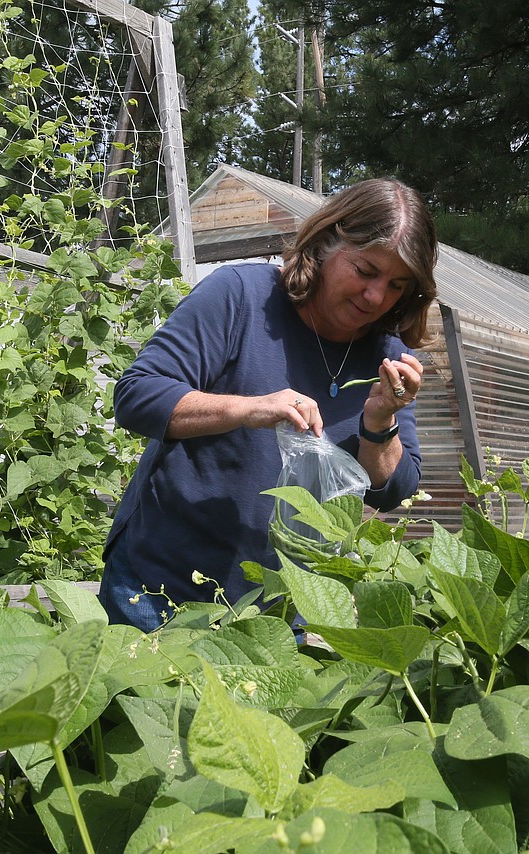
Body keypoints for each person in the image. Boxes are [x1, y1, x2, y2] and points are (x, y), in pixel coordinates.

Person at [98, 177, 439, 630]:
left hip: (279, 612)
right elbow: (137, 395)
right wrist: (251, 408)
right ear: (325, 243)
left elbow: (394, 490)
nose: (376, 297)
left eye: (397, 285)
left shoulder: (389, 356)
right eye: (365, 270)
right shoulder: (242, 296)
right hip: (161, 589)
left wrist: (379, 423)